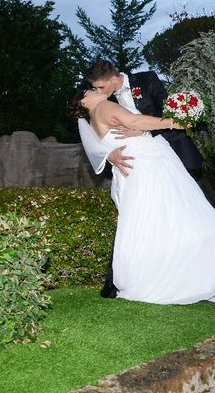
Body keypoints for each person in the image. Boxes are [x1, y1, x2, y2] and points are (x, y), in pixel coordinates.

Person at [70, 89, 215, 319]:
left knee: (149, 226)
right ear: (82, 101)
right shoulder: (103, 107)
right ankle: (188, 277)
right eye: (89, 90)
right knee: (185, 220)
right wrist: (172, 122)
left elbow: (109, 144)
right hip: (149, 168)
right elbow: (134, 120)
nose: (95, 90)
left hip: (133, 174)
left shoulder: (91, 123)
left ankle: (153, 277)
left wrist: (114, 152)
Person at [85, 60, 204, 298]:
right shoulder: (104, 103)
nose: (99, 92)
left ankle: (187, 271)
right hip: (138, 165)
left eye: (100, 87)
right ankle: (116, 280)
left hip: (170, 155)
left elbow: (167, 113)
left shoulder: (147, 79)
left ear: (113, 78)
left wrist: (144, 130)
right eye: (95, 88)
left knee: (180, 216)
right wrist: (109, 155)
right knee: (136, 218)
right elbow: (98, 135)